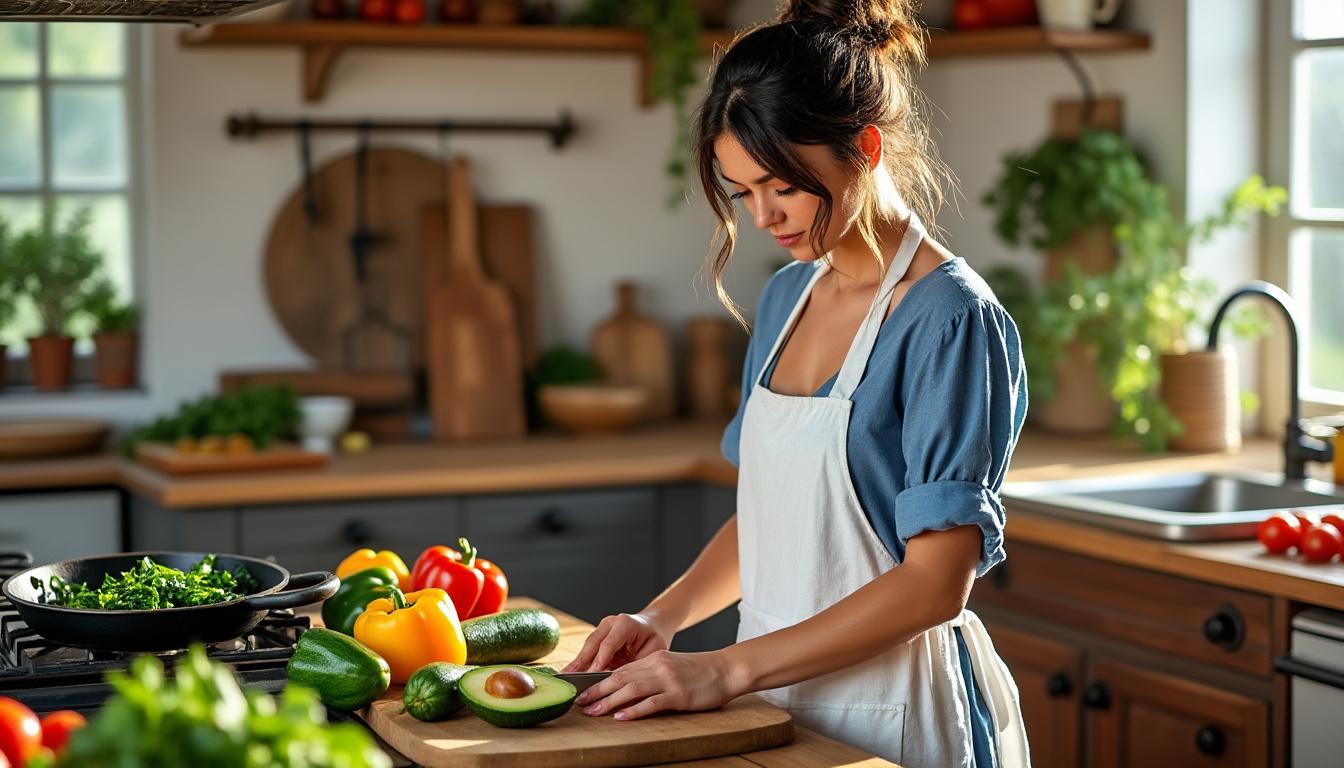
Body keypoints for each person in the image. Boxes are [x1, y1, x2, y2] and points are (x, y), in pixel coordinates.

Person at [563, 1, 1031, 764]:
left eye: (780, 184)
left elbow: (936, 585)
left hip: (898, 717)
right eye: (742, 191)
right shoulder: (787, 298)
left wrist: (721, 669)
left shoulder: (950, 320)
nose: (761, 216)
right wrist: (664, 616)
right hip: (770, 702)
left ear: (865, 149)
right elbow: (773, 518)